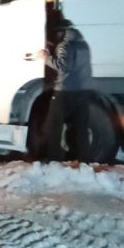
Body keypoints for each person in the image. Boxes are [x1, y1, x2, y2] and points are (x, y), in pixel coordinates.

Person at [35, 18, 94, 161]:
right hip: (83, 91)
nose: (56, 36)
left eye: (57, 32)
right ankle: (83, 160)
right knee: (80, 128)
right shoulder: (83, 45)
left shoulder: (65, 46)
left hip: (65, 92)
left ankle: (53, 158)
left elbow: (63, 66)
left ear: (62, 31)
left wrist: (45, 57)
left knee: (53, 125)